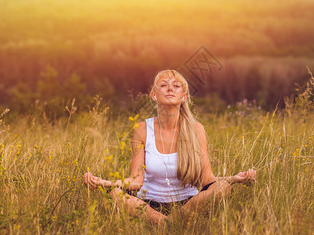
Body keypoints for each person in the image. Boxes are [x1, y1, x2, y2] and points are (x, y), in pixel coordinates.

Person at [83, 69, 256, 224]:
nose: (170, 88)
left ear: (184, 96)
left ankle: (168, 222)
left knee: (223, 188)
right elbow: (136, 181)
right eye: (164, 85)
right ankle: (170, 223)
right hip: (149, 204)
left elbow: (207, 181)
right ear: (154, 95)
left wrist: (235, 178)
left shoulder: (196, 129)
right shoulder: (142, 129)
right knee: (116, 194)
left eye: (176, 86)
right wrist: (103, 182)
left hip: (188, 203)